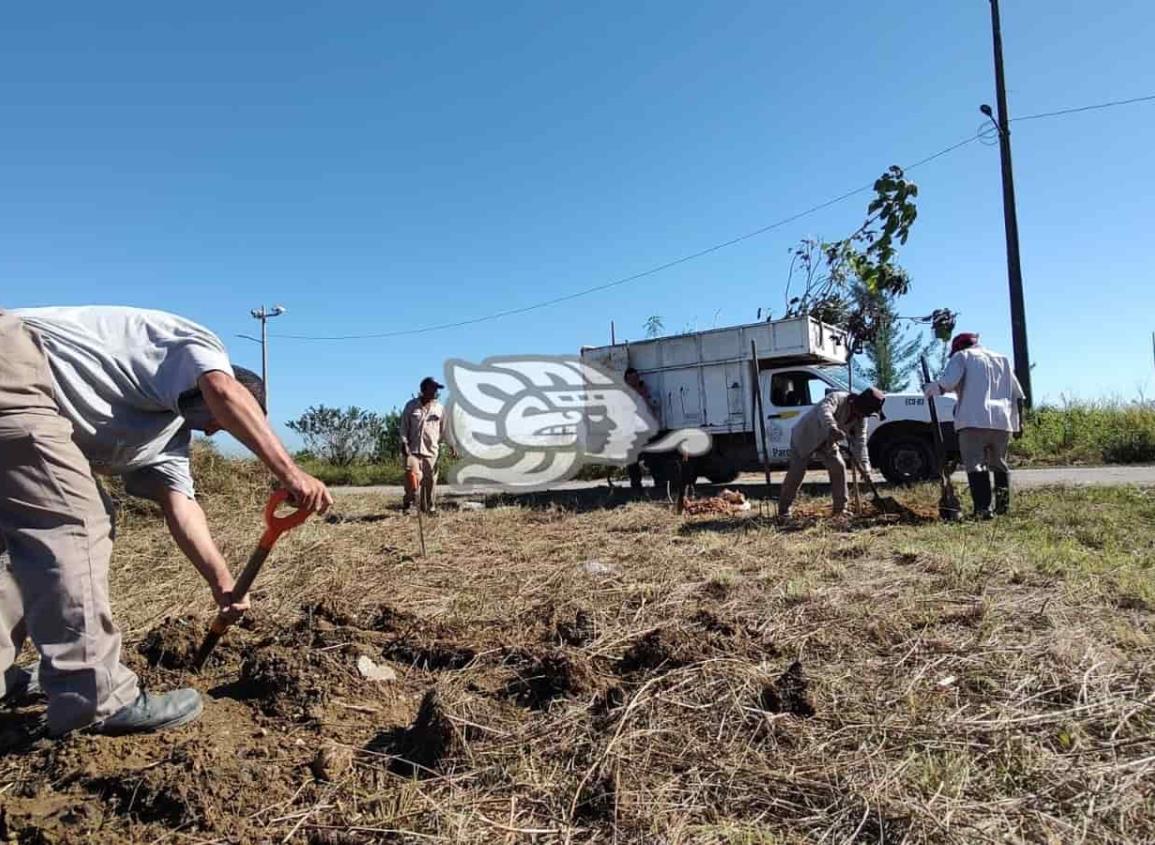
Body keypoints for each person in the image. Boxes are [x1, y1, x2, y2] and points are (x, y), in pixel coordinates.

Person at [0, 306, 332, 738]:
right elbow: (221, 389)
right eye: (220, 424)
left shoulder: (165, 434)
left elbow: (181, 507)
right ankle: (95, 700)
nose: (214, 433)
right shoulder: (195, 346)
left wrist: (222, 584)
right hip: (13, 358)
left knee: (22, 543)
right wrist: (291, 473)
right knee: (76, 522)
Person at [923, 332, 1024, 519]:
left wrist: (929, 388)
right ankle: (1003, 507)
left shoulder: (961, 357)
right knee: (999, 464)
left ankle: (983, 510)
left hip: (973, 419)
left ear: (959, 347)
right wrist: (1020, 423)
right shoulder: (1002, 359)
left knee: (975, 464)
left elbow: (947, 384)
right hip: (1002, 421)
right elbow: (1018, 395)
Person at [777, 387, 886, 518]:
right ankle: (784, 510)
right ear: (858, 405)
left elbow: (860, 443)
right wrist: (832, 427)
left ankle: (840, 510)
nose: (863, 416)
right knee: (797, 471)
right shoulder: (837, 398)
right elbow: (824, 411)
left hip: (828, 442)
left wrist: (866, 469)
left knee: (839, 467)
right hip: (806, 435)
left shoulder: (862, 418)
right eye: (864, 412)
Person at [401, 377, 453, 514]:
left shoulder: (440, 408)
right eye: (433, 388)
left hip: (431, 451)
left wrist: (451, 446)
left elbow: (445, 429)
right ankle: (410, 504)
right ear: (424, 389)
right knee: (412, 477)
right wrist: (404, 442)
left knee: (430, 481)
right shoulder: (411, 406)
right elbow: (404, 426)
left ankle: (429, 507)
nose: (436, 391)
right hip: (412, 450)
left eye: (437, 389)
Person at [623, 367, 662, 494]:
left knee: (653, 458)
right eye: (631, 379)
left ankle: (659, 483)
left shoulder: (645, 390)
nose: (634, 380)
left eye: (636, 377)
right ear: (626, 381)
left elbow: (655, 404)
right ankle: (636, 486)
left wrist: (644, 395)